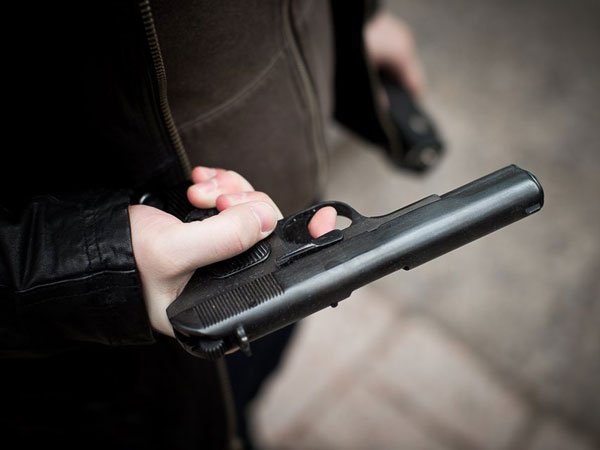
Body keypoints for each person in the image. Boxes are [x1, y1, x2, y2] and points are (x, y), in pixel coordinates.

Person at [0, 1, 425, 449]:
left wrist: (355, 20)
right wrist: (107, 261)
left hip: (278, 256)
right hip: (115, 341)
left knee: (244, 399)